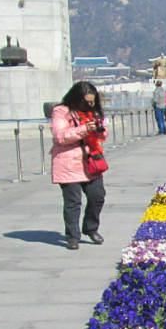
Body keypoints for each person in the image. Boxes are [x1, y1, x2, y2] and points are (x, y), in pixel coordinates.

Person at [50, 81, 107, 250]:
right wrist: (83, 129)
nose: (90, 105)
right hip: (68, 162)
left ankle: (90, 227)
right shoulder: (61, 112)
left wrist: (99, 130)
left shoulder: (93, 112)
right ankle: (72, 236)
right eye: (87, 101)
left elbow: (103, 135)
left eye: (93, 101)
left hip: (91, 161)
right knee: (73, 202)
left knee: (97, 196)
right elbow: (60, 137)